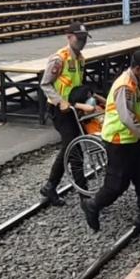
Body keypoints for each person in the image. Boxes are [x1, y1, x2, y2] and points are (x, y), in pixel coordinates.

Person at [80, 50, 140, 233]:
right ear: (137, 68)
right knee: (117, 184)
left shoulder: (135, 82)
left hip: (134, 140)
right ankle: (93, 204)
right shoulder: (124, 86)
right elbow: (127, 118)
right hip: (119, 141)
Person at [39, 22, 103, 205]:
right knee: (74, 150)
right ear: (69, 37)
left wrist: (93, 97)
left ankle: (50, 186)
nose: (82, 42)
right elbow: (45, 84)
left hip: (75, 109)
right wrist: (61, 101)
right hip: (60, 110)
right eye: (79, 38)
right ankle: (84, 197)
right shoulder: (59, 59)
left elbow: (78, 86)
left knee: (70, 148)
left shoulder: (81, 59)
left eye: (84, 39)